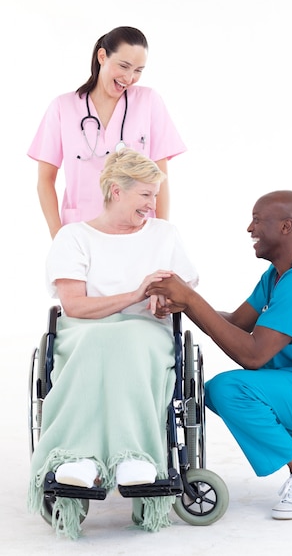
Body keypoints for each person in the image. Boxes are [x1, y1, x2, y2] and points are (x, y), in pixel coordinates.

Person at [146, 190, 292, 520]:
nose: (250, 228)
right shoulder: (277, 276)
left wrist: (191, 299)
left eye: (258, 220)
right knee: (227, 393)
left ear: (286, 227)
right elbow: (237, 323)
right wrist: (185, 305)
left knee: (230, 390)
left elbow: (253, 356)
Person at [28, 148, 198, 539]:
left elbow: (185, 290)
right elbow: (75, 305)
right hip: (84, 330)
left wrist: (165, 299)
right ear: (116, 191)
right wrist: (136, 293)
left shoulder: (164, 235)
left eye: (155, 195)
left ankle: (133, 457)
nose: (153, 205)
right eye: (145, 195)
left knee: (130, 341)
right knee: (101, 342)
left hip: (146, 335)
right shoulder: (74, 237)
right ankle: (79, 457)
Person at [27, 26, 186, 238]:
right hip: (80, 232)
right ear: (102, 56)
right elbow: (45, 180)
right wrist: (58, 237)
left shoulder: (149, 102)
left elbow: (161, 177)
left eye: (138, 70)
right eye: (124, 66)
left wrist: (161, 234)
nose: (129, 78)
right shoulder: (62, 108)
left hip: (138, 233)